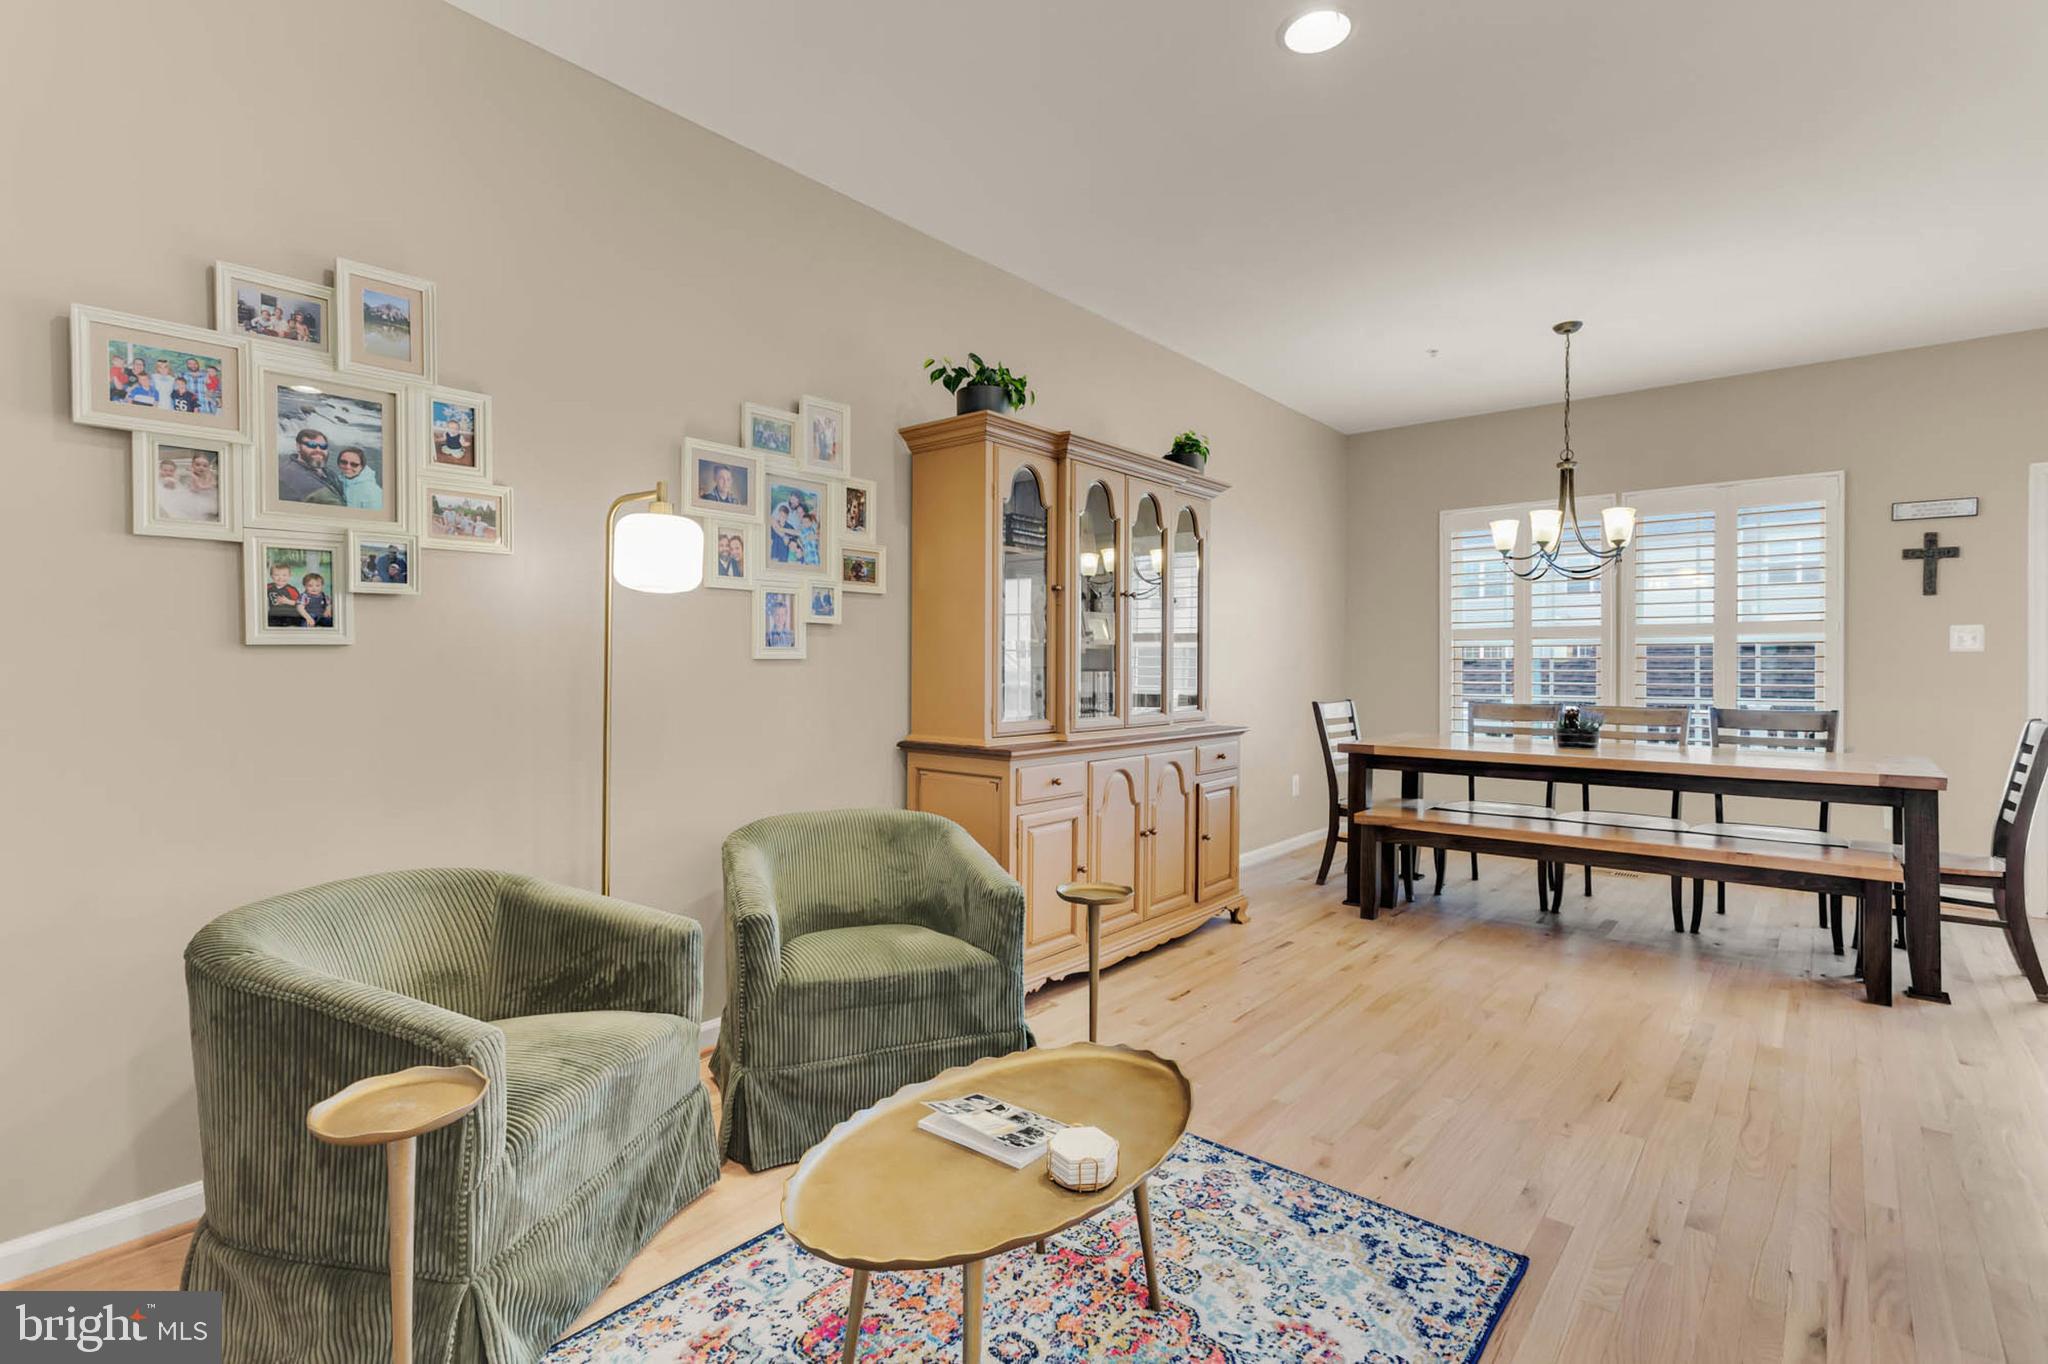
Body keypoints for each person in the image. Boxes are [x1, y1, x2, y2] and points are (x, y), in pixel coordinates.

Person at [278, 428, 343, 504]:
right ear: (298, 447)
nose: (318, 450)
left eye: (323, 446)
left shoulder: (324, 472)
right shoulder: (297, 476)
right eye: (312, 445)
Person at [265, 562, 303, 627]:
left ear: (289, 576)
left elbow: (300, 603)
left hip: (290, 614)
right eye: (276, 575)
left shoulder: (291, 589)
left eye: (284, 575)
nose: (280, 578)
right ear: (271, 576)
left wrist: (287, 601)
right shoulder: (268, 587)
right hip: (274, 615)